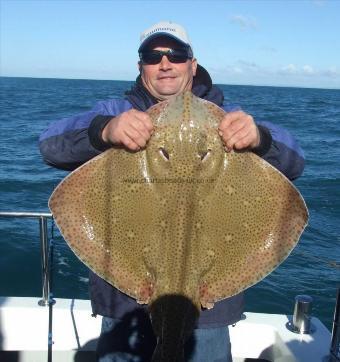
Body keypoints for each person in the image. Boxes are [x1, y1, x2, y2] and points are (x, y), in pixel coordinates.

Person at [40, 21, 305, 362]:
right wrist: (103, 131)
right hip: (124, 305)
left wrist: (260, 139)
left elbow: (295, 161)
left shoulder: (231, 117)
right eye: (153, 56)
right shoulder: (114, 113)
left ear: (193, 65)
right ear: (141, 68)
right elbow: (49, 145)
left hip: (209, 311)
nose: (165, 64)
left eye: (176, 55)